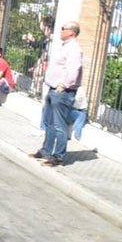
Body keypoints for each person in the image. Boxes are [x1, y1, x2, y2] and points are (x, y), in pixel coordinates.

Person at [33, 21, 83, 167]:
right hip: (53, 88)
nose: (61, 31)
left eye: (63, 29)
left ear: (72, 32)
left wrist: (64, 85)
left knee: (59, 125)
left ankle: (58, 156)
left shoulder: (74, 49)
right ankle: (46, 151)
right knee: (49, 122)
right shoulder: (65, 47)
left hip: (62, 91)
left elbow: (74, 69)